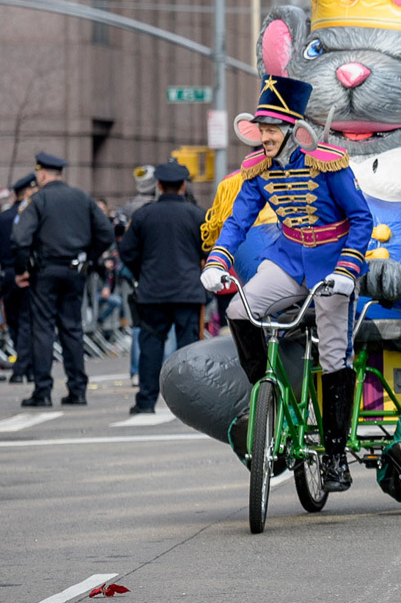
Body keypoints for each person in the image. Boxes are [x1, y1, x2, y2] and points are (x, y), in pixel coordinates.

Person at [200, 75, 373, 491]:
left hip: (332, 265)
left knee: (334, 354)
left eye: (272, 128)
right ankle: (266, 396)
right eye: (261, 128)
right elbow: (238, 219)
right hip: (288, 259)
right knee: (239, 310)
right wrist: (217, 260)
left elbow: (362, 219)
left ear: (294, 130)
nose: (264, 136)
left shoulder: (327, 162)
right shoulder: (257, 170)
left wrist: (348, 270)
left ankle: (334, 458)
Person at [11, 153, 114, 407]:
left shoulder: (37, 200)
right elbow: (106, 232)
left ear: (43, 174)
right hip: (74, 271)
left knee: (43, 330)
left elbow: (19, 239)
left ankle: (43, 391)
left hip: (45, 272)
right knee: (72, 328)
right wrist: (88, 256)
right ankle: (77, 389)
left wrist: (22, 268)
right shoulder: (81, 197)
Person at [118, 161, 207, 414]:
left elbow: (127, 252)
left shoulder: (144, 215)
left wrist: (142, 274)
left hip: (152, 292)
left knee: (151, 348)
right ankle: (192, 404)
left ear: (158, 185)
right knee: (189, 350)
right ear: (183, 186)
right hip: (188, 292)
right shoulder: (197, 215)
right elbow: (208, 250)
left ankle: (146, 401)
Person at [0, 173, 37, 383]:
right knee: (26, 320)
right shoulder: (30, 214)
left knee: (13, 322)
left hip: (6, 274)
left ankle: (24, 364)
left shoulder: (1, 218)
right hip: (26, 272)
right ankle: (24, 368)